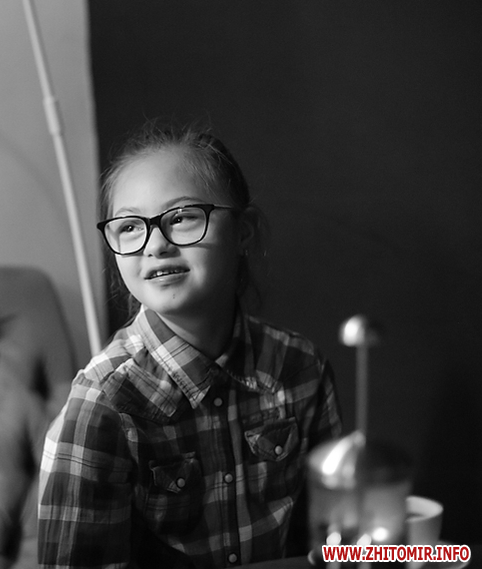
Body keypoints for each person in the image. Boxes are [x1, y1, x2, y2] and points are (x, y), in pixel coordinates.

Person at [38, 122, 343, 568]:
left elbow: (332, 546)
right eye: (129, 226)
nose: (155, 245)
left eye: (181, 217)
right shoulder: (102, 405)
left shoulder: (301, 368)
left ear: (244, 231)